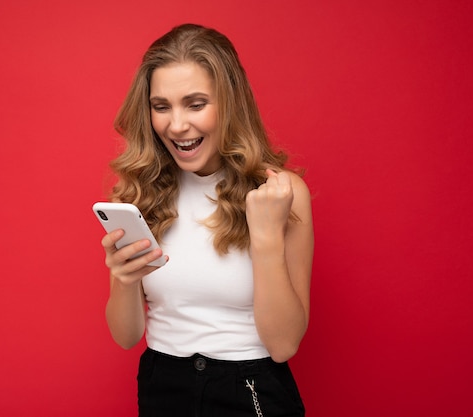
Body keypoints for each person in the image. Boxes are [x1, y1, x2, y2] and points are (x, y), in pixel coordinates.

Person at [99, 23, 313, 417]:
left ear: (230, 103)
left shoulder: (280, 192)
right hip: (163, 386)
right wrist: (124, 280)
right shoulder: (136, 195)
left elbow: (284, 344)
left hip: (252, 388)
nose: (176, 125)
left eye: (196, 104)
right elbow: (126, 336)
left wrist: (264, 240)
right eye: (161, 106)